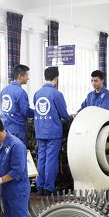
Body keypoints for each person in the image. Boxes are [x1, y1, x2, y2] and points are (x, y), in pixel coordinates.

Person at [33, 66, 71, 195]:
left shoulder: (37, 93)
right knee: (51, 159)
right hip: (53, 132)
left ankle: (40, 185)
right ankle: (48, 187)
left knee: (41, 158)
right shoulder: (57, 94)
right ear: (56, 78)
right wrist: (69, 119)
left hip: (40, 131)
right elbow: (63, 114)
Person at [0, 64, 32, 145]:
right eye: (26, 75)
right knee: (19, 151)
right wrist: (37, 113)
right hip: (18, 129)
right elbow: (25, 111)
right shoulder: (20, 92)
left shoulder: (4, 90)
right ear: (20, 76)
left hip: (5, 128)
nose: (28, 78)